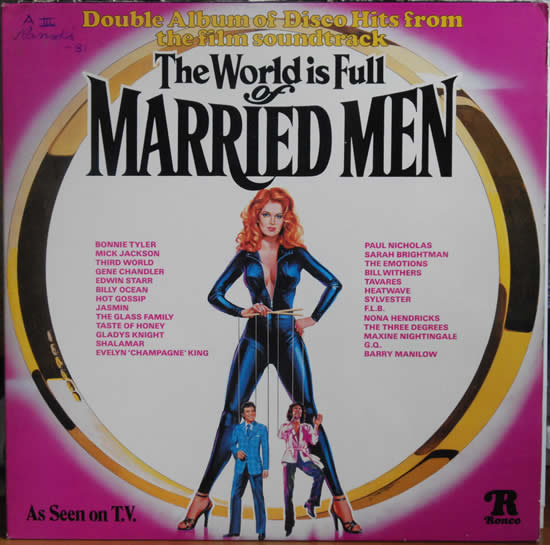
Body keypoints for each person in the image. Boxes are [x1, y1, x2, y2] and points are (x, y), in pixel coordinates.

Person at [178, 187, 361, 534]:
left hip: (288, 339)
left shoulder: (296, 253)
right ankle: (202, 498)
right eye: (266, 215)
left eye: (279, 215)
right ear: (256, 217)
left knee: (309, 415)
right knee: (231, 415)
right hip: (255, 340)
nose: (273, 221)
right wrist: (241, 310)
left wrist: (313, 318)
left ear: (286, 219)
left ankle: (339, 500)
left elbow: (334, 284)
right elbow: (214, 295)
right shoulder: (245, 256)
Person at [223, 402, 269, 540]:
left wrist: (266, 467)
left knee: (258, 498)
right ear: (243, 414)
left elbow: (265, 448)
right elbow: (232, 444)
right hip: (240, 467)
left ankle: (261, 530)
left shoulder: (262, 428)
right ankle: (234, 530)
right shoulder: (237, 428)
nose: (251, 414)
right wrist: (237, 452)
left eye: (253, 411)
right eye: (248, 412)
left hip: (256, 468)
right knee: (235, 496)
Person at [278, 402, 324, 536]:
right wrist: (292, 424)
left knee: (319, 474)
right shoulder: (286, 426)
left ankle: (311, 502)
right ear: (291, 412)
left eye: (300, 409)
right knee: (288, 492)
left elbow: (314, 441)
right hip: (290, 458)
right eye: (295, 409)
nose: (298, 411)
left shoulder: (306, 427)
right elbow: (280, 435)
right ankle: (289, 524)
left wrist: (316, 425)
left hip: (303, 457)